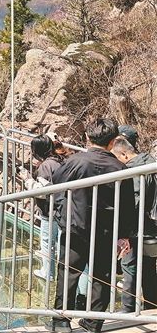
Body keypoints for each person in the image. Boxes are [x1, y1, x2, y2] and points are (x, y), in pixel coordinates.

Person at [46, 118, 136, 333]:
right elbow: (127, 205)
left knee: (68, 273)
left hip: (75, 227)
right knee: (101, 277)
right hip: (107, 231)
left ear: (87, 137)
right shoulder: (120, 168)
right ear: (113, 141)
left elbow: (56, 182)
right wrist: (125, 235)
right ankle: (94, 322)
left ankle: (61, 321)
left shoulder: (75, 161)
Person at [111, 135, 157, 313]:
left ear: (124, 154)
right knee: (148, 268)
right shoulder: (150, 163)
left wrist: (123, 230)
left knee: (129, 267)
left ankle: (128, 309)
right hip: (151, 228)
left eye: (117, 158)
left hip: (136, 229)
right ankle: (152, 306)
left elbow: (135, 202)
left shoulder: (134, 171)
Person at [17, 133, 65, 281]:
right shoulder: (60, 161)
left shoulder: (45, 166)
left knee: (47, 241)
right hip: (62, 209)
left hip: (49, 210)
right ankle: (61, 272)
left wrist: (27, 179)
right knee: (61, 242)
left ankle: (48, 272)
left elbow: (42, 191)